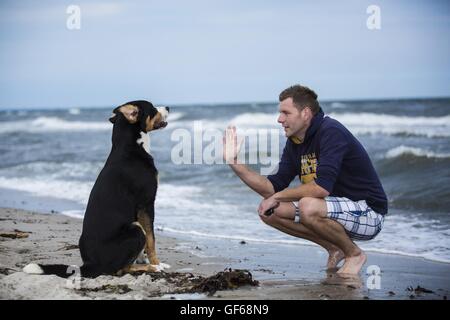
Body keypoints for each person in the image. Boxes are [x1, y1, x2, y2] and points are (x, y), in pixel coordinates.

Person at [223, 85, 387, 275]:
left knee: (308, 205)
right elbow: (271, 188)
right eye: (280, 113)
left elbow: (321, 188)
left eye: (286, 113)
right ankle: (336, 248)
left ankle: (354, 254)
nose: (279, 119)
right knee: (269, 211)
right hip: (334, 211)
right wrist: (234, 162)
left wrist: (279, 196)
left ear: (305, 113)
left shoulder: (331, 132)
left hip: (368, 212)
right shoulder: (295, 143)